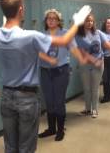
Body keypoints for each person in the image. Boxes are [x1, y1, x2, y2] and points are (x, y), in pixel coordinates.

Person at [0, 0, 91, 153]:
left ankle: (58, 129)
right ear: (21, 10)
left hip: (6, 96)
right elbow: (64, 40)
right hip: (27, 98)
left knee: (10, 146)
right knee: (26, 147)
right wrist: (77, 22)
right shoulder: (31, 36)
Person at [38, 9, 85, 141]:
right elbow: (37, 51)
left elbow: (73, 48)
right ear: (46, 21)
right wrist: (48, 60)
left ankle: (60, 130)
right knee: (49, 101)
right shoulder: (42, 35)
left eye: (54, 18)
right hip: (45, 71)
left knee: (59, 101)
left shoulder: (65, 34)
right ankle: (51, 128)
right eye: (49, 18)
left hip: (61, 71)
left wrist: (81, 59)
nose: (51, 20)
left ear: (59, 21)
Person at [75, 14, 110, 118]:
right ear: (83, 22)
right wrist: (95, 61)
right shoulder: (78, 36)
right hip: (85, 64)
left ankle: (94, 109)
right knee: (86, 88)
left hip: (99, 65)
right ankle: (87, 109)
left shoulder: (98, 33)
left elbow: (107, 44)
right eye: (87, 21)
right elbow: (82, 52)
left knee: (95, 88)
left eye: (91, 21)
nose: (89, 23)